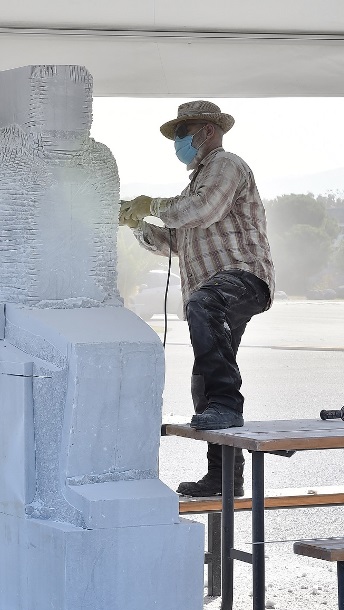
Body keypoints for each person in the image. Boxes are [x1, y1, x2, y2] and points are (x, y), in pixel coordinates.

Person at [119, 100, 275, 497]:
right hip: (215, 290)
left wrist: (151, 205)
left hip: (242, 279)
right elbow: (174, 240)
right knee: (205, 380)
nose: (179, 142)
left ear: (209, 131)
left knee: (204, 307)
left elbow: (201, 210)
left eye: (184, 133)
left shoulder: (226, 165)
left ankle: (225, 403)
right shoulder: (196, 184)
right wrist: (139, 224)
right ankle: (224, 477)